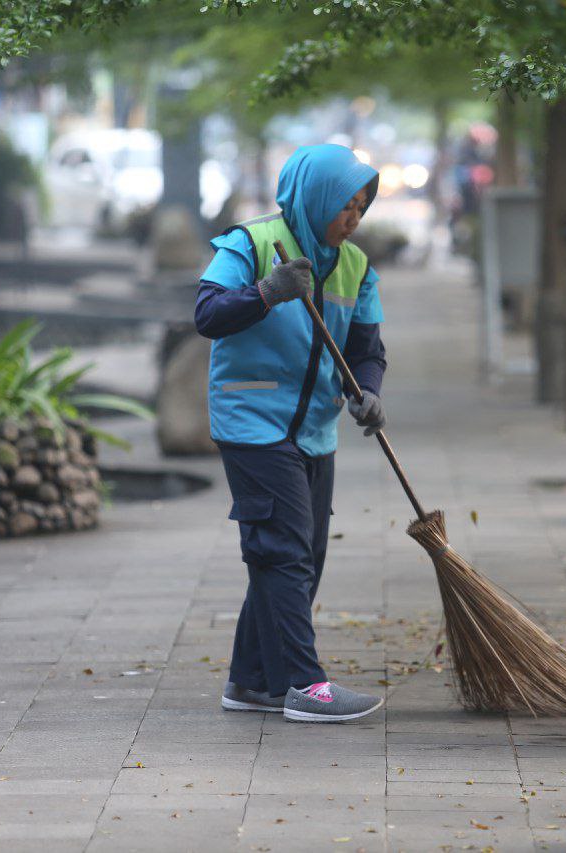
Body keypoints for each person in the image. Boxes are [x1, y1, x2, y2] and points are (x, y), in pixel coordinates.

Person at [194, 144, 388, 723]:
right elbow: (206, 314)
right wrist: (266, 292)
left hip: (314, 428)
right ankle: (305, 684)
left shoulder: (355, 266)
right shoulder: (249, 245)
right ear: (315, 196)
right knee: (284, 552)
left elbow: (366, 350)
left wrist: (369, 391)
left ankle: (251, 682)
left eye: (361, 206)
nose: (352, 217)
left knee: (301, 552)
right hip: (252, 420)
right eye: (344, 205)